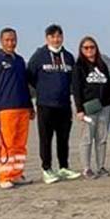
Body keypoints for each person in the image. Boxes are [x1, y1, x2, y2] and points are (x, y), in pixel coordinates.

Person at [26, 24, 81, 184]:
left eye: (59, 36)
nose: (56, 39)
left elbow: (74, 81)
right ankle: (47, 169)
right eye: (52, 37)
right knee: (46, 139)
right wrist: (43, 89)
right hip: (45, 104)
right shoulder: (39, 56)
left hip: (64, 105)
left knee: (63, 139)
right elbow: (30, 77)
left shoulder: (69, 57)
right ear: (47, 38)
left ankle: (64, 167)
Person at [0, 27, 35, 189]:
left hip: (23, 107)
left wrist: (30, 106)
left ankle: (17, 173)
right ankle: (5, 176)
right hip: (5, 109)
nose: (11, 43)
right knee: (7, 143)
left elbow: (25, 85)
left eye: (13, 40)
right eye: (7, 40)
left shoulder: (20, 61)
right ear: (1, 41)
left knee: (20, 144)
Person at [71, 36, 110, 179]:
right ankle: (86, 168)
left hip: (105, 107)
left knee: (102, 139)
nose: (89, 50)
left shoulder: (102, 65)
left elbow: (108, 85)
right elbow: (76, 90)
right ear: (81, 50)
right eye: (86, 48)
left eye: (92, 47)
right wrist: (79, 110)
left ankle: (101, 167)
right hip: (88, 108)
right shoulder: (79, 67)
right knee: (87, 138)